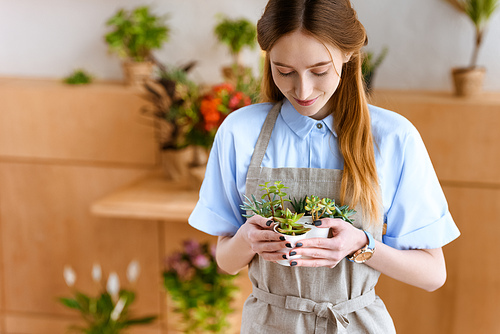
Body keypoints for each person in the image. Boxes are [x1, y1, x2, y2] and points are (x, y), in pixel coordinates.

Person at [189, 0, 460, 332]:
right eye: (284, 71)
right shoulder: (239, 132)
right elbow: (226, 261)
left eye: (319, 70)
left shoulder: (393, 138)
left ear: (347, 54)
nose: (302, 90)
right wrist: (247, 239)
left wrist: (362, 245)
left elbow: (433, 274)